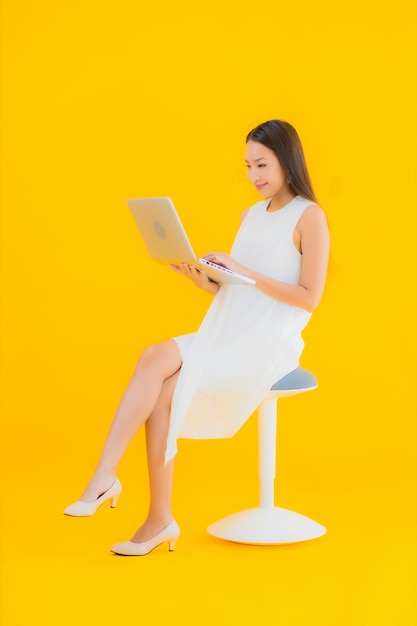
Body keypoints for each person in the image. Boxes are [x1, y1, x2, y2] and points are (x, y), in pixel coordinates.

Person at [64, 119, 330, 556]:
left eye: (261, 164)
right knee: (155, 363)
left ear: (287, 160)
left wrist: (242, 270)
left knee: (166, 384)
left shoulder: (310, 216)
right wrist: (204, 280)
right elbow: (236, 291)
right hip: (230, 328)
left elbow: (309, 298)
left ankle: (148, 512)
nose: (253, 176)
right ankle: (124, 491)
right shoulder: (250, 215)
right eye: (247, 166)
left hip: (268, 343)